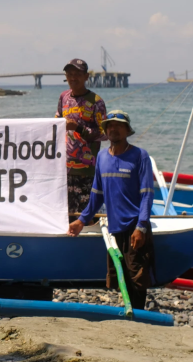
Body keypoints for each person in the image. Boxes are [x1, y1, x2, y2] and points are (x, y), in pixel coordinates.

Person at [67, 110, 154, 309]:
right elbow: (97, 195)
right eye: (110, 126)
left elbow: (147, 194)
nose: (113, 129)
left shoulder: (140, 156)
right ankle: (129, 313)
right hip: (115, 228)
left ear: (127, 130)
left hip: (134, 227)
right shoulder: (102, 157)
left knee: (137, 277)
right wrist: (81, 220)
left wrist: (141, 227)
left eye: (118, 125)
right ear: (105, 131)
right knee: (120, 275)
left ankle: (138, 318)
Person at [56, 58, 106, 216]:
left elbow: (104, 134)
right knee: (65, 214)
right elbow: (57, 121)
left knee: (86, 216)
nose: (72, 78)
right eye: (69, 74)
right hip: (63, 169)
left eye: (77, 74)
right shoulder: (63, 97)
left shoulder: (96, 102)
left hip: (87, 170)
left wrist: (78, 128)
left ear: (86, 77)